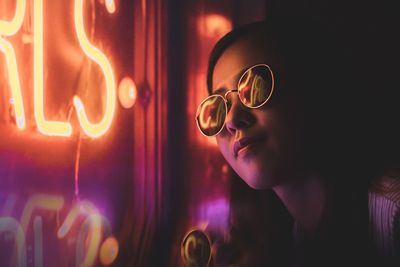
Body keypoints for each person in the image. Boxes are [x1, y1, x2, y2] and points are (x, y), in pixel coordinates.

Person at [195, 18, 400, 267]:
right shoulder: (297, 242)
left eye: (256, 86)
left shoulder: (392, 216)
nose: (232, 120)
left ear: (307, 88)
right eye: (218, 107)